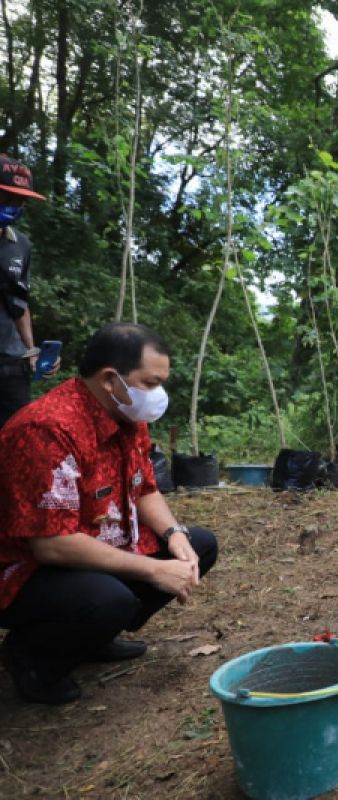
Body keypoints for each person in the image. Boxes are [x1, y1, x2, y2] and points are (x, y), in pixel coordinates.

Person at [0, 322, 218, 703]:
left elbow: (145, 488)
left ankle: (93, 637)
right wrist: (154, 569)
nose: (157, 395)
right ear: (108, 379)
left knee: (199, 544)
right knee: (107, 598)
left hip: (92, 549)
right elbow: (52, 545)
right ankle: (31, 659)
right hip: (23, 569)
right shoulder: (47, 430)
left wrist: (174, 535)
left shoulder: (127, 415)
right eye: (150, 383)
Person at [0, 155, 59, 429]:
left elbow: (19, 302)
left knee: (16, 441)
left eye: (21, 201)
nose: (15, 206)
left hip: (11, 365)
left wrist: (33, 352)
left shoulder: (20, 245)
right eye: (7, 198)